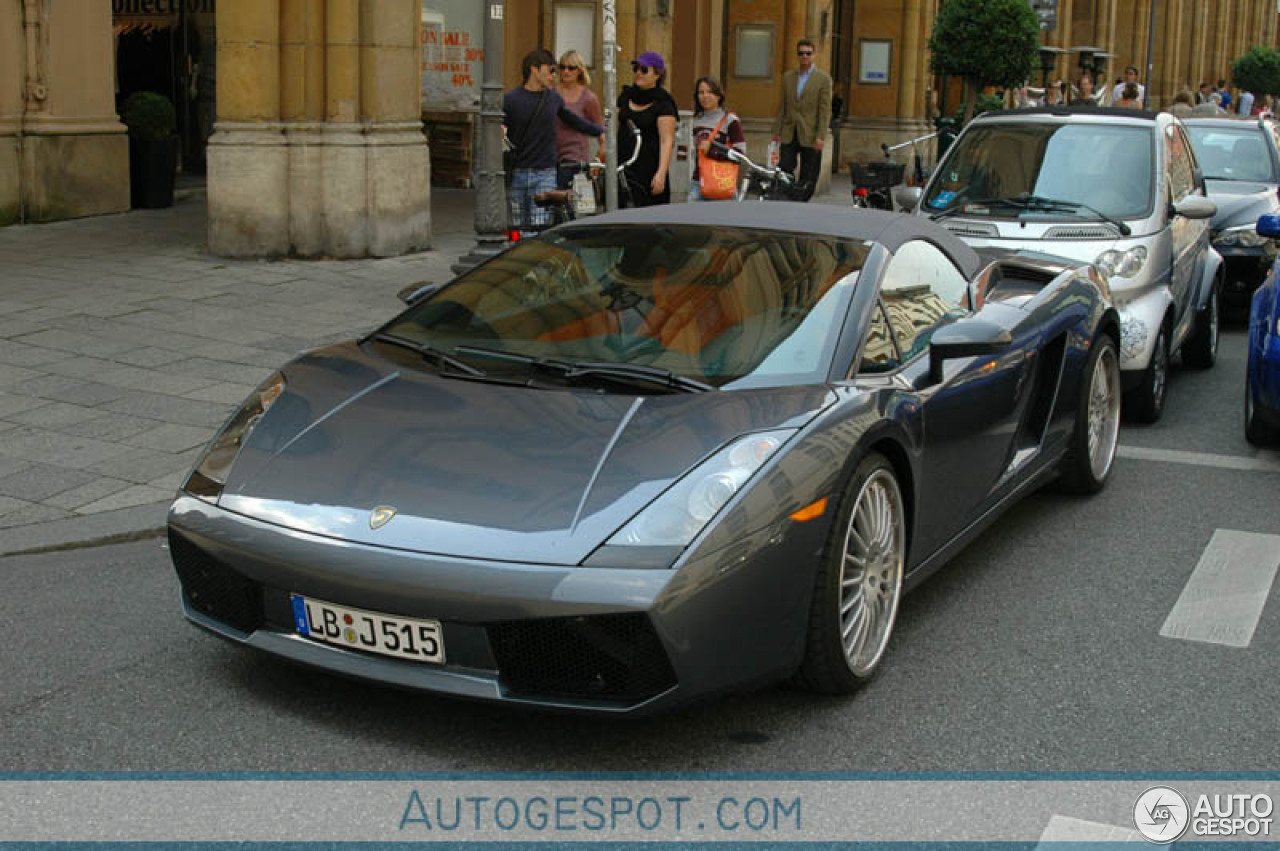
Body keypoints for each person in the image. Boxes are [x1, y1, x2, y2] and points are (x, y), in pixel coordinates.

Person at [504, 49, 603, 231]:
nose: (554, 75)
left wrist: (600, 131)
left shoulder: (553, 99)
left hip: (545, 172)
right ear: (534, 70)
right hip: (517, 171)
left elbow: (572, 120)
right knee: (517, 229)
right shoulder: (511, 100)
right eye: (550, 70)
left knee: (540, 228)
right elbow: (500, 130)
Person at [771, 38, 832, 202]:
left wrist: (821, 135)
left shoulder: (823, 79)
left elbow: (824, 110)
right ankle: (785, 198)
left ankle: (802, 200)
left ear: (814, 55)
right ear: (797, 55)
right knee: (784, 167)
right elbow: (782, 106)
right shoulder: (788, 77)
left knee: (809, 171)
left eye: (808, 53)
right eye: (801, 53)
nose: (804, 56)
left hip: (811, 132)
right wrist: (776, 131)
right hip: (790, 130)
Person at [617, 51, 678, 206]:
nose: (638, 73)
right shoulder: (625, 96)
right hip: (623, 166)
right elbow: (612, 129)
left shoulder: (663, 103)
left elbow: (666, 141)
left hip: (649, 169)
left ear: (657, 74)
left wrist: (661, 173)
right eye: (636, 68)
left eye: (644, 70)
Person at [688, 76, 746, 202]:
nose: (705, 96)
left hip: (722, 183)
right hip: (698, 182)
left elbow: (740, 154)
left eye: (710, 92)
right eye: (701, 92)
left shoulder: (730, 120)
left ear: (719, 95)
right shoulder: (696, 120)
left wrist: (712, 151)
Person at [553, 49, 605, 191]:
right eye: (562, 67)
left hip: (575, 158)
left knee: (569, 205)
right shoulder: (551, 93)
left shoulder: (588, 98)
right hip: (551, 157)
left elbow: (602, 136)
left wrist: (597, 162)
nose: (566, 71)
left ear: (579, 71)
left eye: (571, 67)